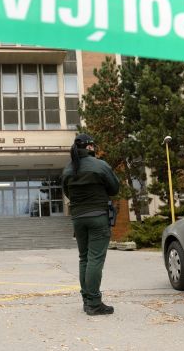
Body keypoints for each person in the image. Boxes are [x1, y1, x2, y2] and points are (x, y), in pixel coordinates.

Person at [62, 133, 120, 316]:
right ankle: (94, 303)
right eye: (93, 145)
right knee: (95, 259)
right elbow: (114, 188)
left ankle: (87, 300)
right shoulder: (100, 165)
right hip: (97, 217)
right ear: (89, 147)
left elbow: (68, 193)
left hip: (78, 218)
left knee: (84, 258)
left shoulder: (68, 169)